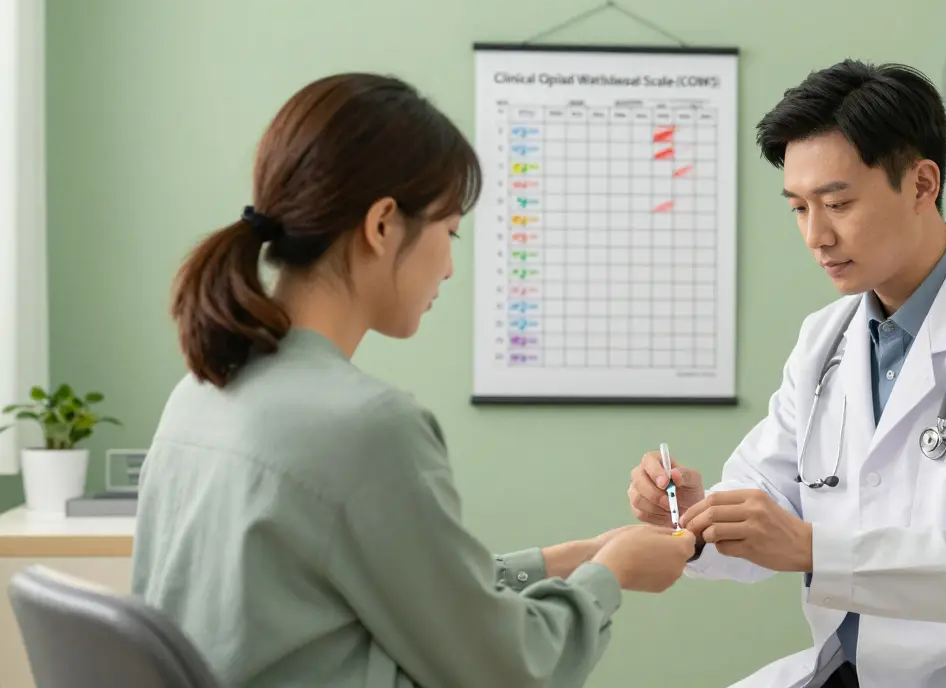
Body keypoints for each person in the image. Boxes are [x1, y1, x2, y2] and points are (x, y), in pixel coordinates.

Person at [131, 72, 696, 688]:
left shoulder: (201, 393)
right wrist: (611, 577)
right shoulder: (366, 428)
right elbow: (509, 671)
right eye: (448, 233)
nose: (451, 267)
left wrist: (573, 559)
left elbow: (407, 590)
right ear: (382, 225)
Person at [627, 60, 946, 688]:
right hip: (855, 672)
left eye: (838, 203)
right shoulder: (826, 338)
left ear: (922, 184)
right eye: (798, 208)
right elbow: (769, 502)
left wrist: (814, 547)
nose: (817, 235)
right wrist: (697, 516)